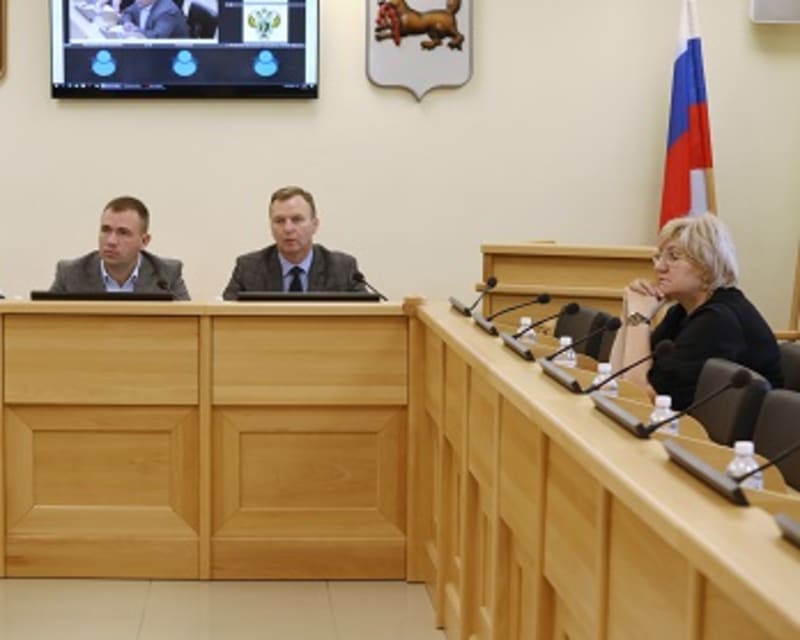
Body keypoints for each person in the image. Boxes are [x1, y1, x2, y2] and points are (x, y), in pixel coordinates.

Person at [610, 213, 782, 410]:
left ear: (705, 266)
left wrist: (639, 319)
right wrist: (630, 310)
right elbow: (617, 378)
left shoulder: (718, 320)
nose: (659, 267)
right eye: (659, 257)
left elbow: (640, 398)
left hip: (729, 430)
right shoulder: (682, 311)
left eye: (673, 257)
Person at [222, 186, 367, 300]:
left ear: (314, 225)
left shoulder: (342, 269)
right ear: (271, 226)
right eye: (279, 221)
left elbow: (367, 319)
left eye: (297, 219)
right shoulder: (249, 269)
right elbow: (225, 318)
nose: (288, 228)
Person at [49, 195, 191, 300]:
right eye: (105, 230)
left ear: (144, 241)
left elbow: (187, 324)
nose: (111, 241)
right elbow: (46, 324)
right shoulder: (70, 274)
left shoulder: (166, 275)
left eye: (123, 233)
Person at [120, 0, 190, 39]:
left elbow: (157, 36)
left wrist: (135, 30)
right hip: (147, 48)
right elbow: (127, 12)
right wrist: (127, 22)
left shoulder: (167, 11)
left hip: (170, 53)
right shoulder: (141, 2)